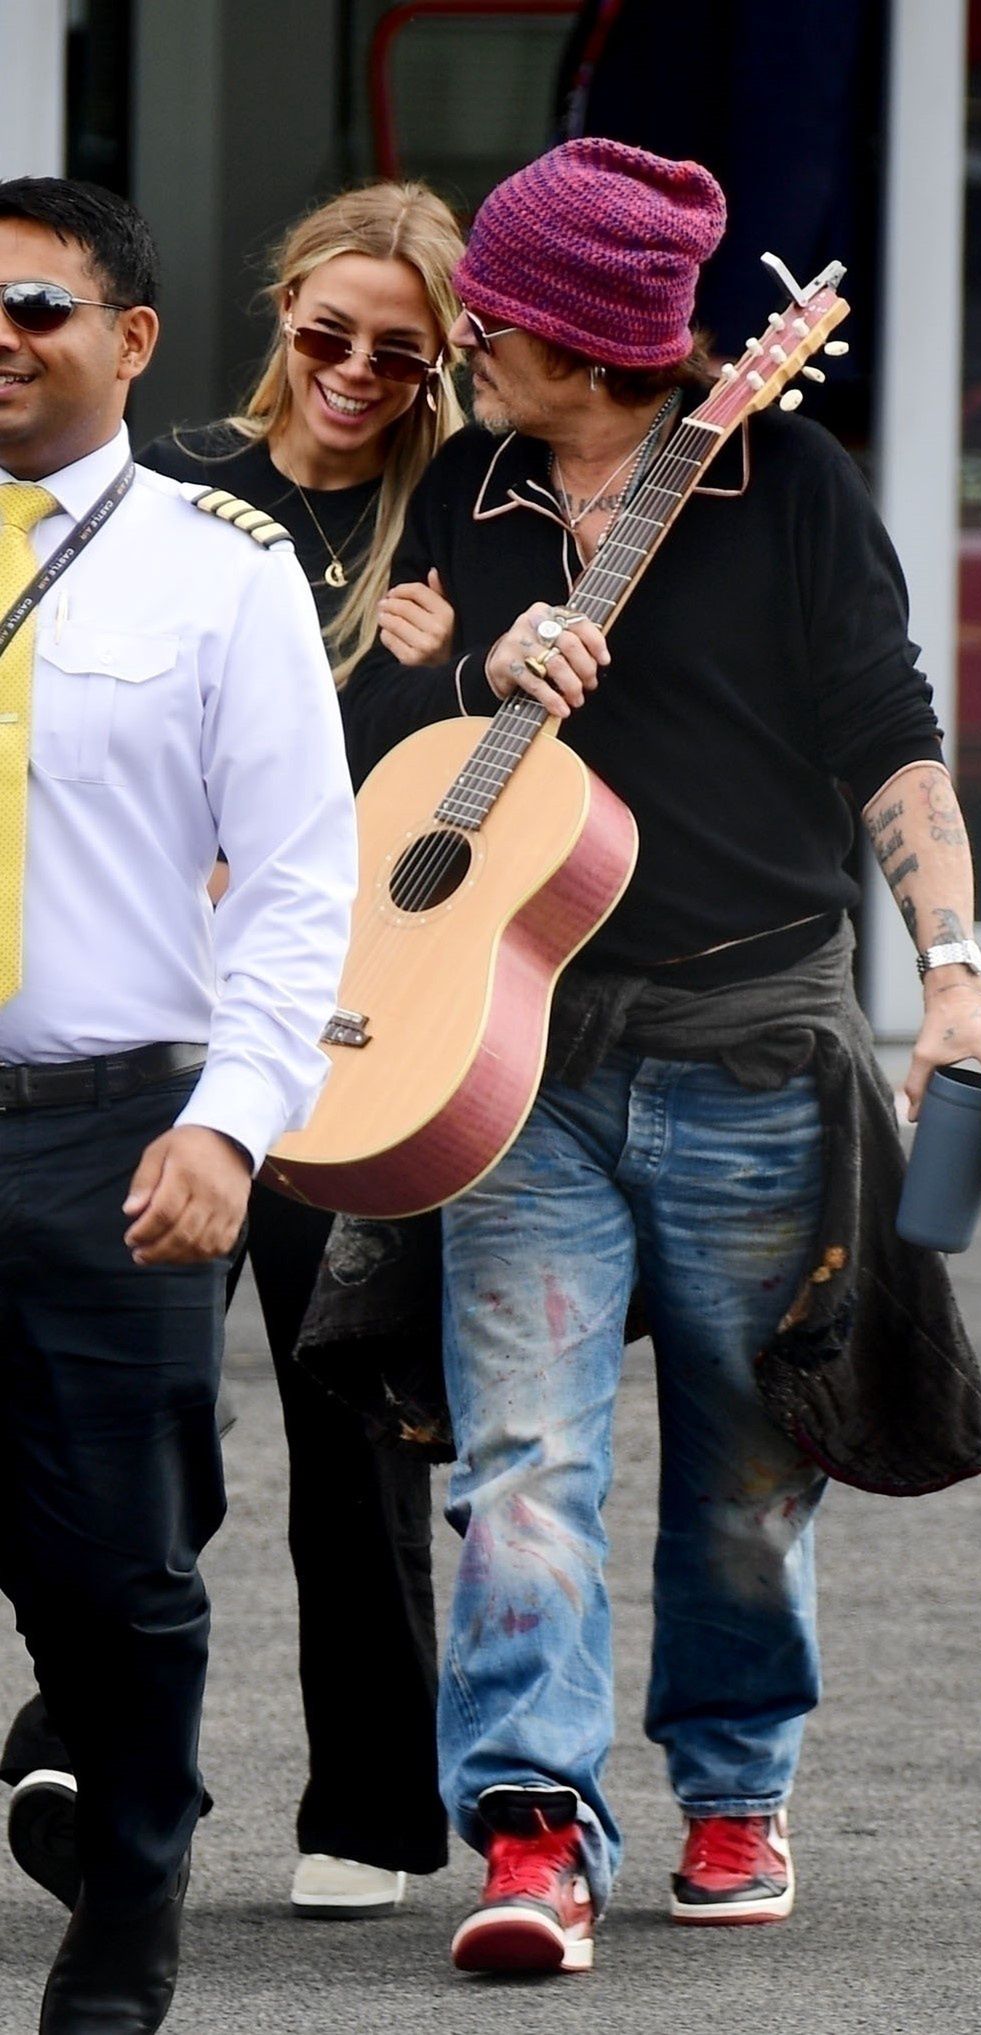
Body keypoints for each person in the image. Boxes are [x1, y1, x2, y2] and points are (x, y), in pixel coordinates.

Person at [339, 136, 981, 1977]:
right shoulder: (470, 487)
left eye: (497, 318)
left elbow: (890, 735)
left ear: (584, 340)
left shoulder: (785, 481)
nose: (466, 338)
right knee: (518, 1463)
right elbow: (388, 748)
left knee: (745, 1465)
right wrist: (478, 673)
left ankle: (732, 1786)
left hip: (746, 1037)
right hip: (518, 1055)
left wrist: (951, 975)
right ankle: (531, 1828)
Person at [3, 182, 465, 1923]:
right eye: (325, 330)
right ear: (274, 314)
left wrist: (467, 668)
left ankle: (367, 1806)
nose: (354, 370)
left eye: (401, 352)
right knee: (135, 1427)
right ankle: (95, 1742)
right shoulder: (161, 481)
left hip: (377, 1019)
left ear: (447, 363)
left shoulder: (465, 520)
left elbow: (498, 772)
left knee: (349, 1410)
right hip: (163, 1035)